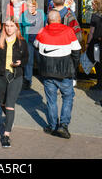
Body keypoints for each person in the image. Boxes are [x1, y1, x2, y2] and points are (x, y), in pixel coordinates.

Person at [35, 10, 81, 139]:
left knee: (51, 100)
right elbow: (77, 51)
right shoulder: (68, 31)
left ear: (48, 20)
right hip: (65, 73)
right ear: (60, 19)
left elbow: (36, 48)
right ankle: (63, 126)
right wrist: (73, 67)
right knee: (67, 98)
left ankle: (52, 126)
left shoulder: (42, 31)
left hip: (48, 73)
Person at [0, 16, 29, 148]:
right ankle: (10, 119)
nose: (10, 29)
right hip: (0, 75)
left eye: (12, 26)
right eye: (7, 26)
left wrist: (21, 62)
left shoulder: (22, 42)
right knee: (3, 103)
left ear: (16, 27)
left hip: (16, 76)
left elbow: (26, 58)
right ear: (4, 27)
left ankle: (6, 135)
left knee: (10, 104)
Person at [19, 0, 46, 90]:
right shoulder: (23, 15)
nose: (31, 8)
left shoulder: (41, 14)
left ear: (36, 6)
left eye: (33, 6)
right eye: (29, 6)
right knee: (29, 61)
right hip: (28, 41)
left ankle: (44, 79)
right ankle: (27, 80)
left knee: (40, 60)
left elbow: (45, 25)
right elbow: (20, 28)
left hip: (39, 41)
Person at [86, 0, 102, 90]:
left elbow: (91, 32)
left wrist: (88, 43)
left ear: (97, 5)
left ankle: (100, 82)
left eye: (93, 4)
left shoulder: (94, 16)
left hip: (96, 43)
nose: (91, 5)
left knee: (97, 62)